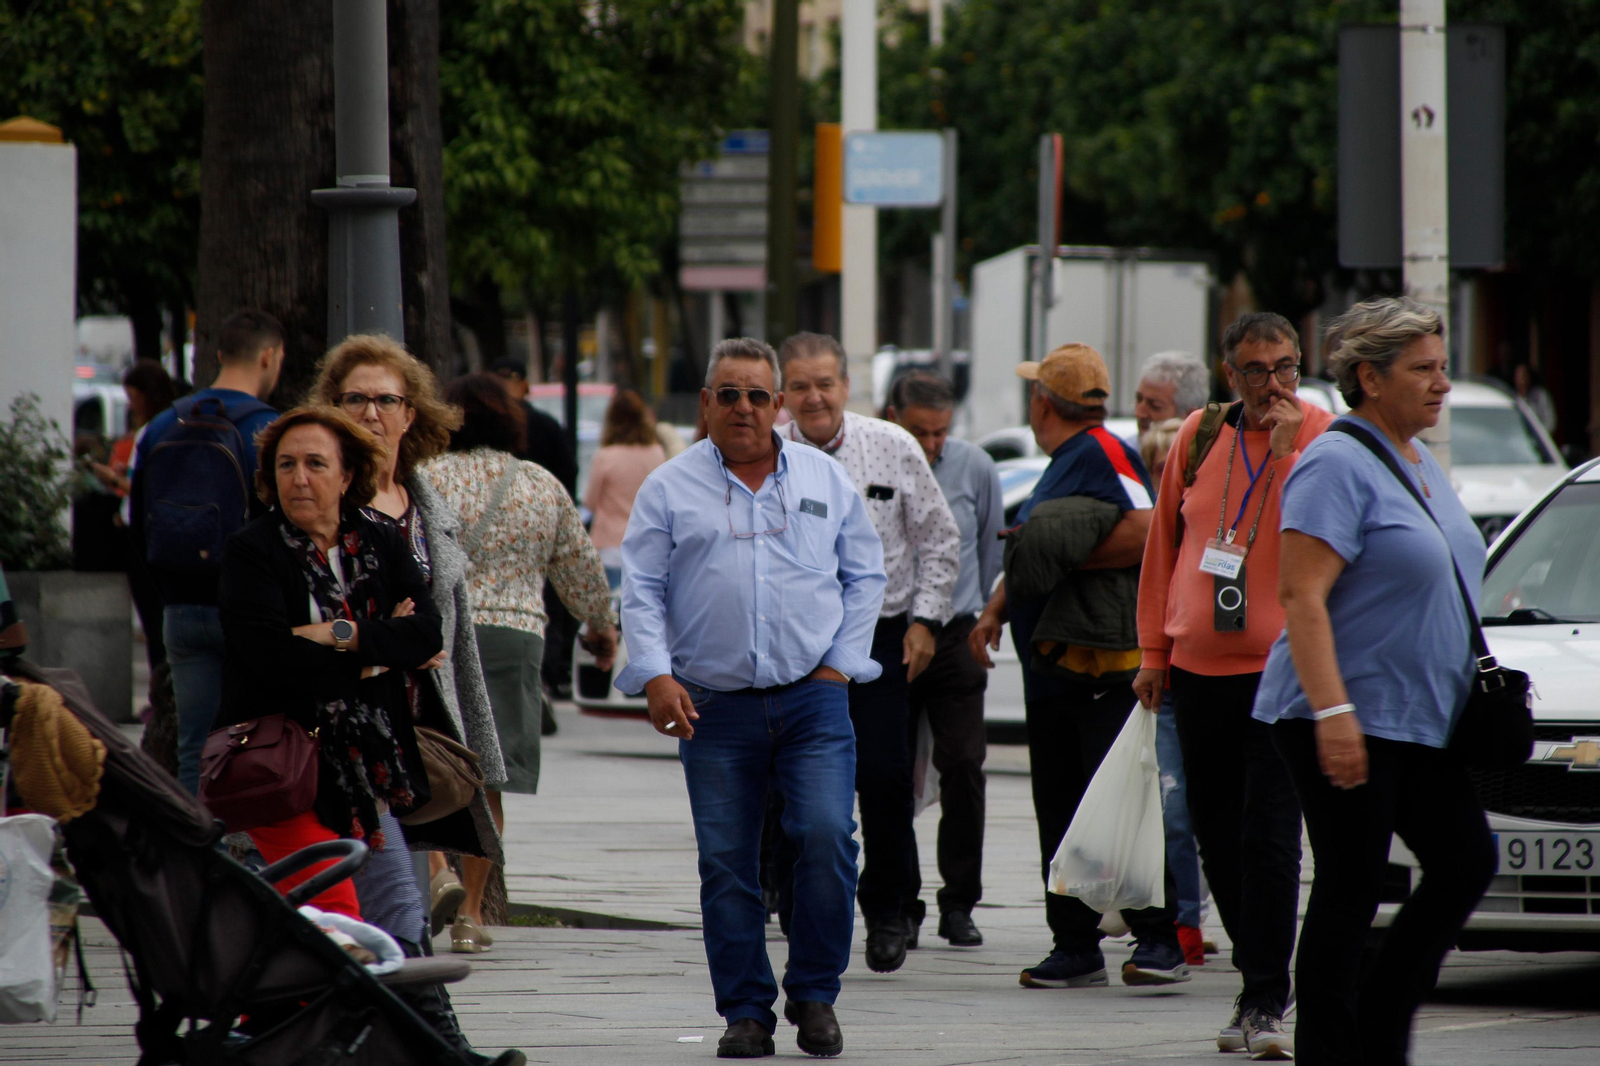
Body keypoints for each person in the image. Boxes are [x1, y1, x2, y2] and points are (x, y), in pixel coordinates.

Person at [216, 405, 514, 1066]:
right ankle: (305, 1042)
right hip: (284, 772)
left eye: (316, 464)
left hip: (363, 770)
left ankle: (446, 1053)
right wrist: (378, 646)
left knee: (399, 916)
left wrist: (342, 634)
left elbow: (428, 632)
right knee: (341, 920)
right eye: (286, 465)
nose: (299, 478)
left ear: (347, 474)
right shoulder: (253, 552)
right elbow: (271, 658)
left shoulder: (375, 542)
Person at [615, 337, 886, 1059]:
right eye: (728, 394)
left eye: (758, 395)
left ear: (781, 404)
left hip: (812, 699)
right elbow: (639, 590)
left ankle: (816, 993)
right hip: (713, 704)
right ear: (704, 403)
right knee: (727, 862)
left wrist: (839, 667)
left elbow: (866, 576)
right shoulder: (669, 488)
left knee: (828, 836)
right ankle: (746, 1012)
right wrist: (655, 673)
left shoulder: (825, 480)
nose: (743, 408)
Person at [1253, 297, 1495, 1066]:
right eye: (1422, 369)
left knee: (1466, 860)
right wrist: (1333, 711)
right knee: (1352, 883)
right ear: (1369, 376)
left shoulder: (1420, 460)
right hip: (1343, 709)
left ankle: (1381, 1013)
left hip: (1422, 715)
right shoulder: (1335, 462)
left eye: (1442, 367)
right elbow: (1301, 597)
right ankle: (1335, 1047)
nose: (1442, 384)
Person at [1133, 312, 1336, 1059]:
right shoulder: (1197, 436)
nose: (1272, 384)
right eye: (1256, 371)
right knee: (1215, 834)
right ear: (1230, 374)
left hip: (1283, 669)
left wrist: (1284, 457)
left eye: (1285, 367)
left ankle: (1263, 997)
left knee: (1269, 835)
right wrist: (1152, 651)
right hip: (1197, 670)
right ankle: (1258, 975)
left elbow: (1315, 537)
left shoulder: (1321, 436)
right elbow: (1165, 545)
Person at [968, 342, 1191, 990]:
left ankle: (1157, 939)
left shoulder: (1101, 451)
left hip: (1101, 673)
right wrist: (995, 612)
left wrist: (1073, 557)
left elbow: (1154, 525)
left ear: (1043, 405)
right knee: (1064, 809)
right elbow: (1037, 547)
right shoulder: (1067, 460)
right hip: (1060, 672)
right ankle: (1074, 943)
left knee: (1121, 806)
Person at [312, 336, 508, 940]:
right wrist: (390, 637)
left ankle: (411, 989)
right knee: (388, 892)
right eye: (355, 399)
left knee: (394, 886)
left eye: (386, 400)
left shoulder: (427, 504)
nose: (371, 413)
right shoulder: (322, 500)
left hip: (424, 714)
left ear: (410, 413)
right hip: (350, 721)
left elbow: (453, 628)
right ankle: (419, 1002)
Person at [779, 332, 960, 973]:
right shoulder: (762, 451)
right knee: (788, 780)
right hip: (790, 640)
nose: (813, 397)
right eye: (799, 385)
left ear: (846, 386)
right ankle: (794, 902)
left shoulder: (891, 445)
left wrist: (927, 622)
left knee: (884, 776)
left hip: (877, 634)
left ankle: (888, 911)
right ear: (783, 392)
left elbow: (939, 538)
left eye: (824, 383)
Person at [428, 374, 618, 952]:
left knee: (425, 758)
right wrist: (601, 629)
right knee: (490, 778)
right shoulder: (540, 484)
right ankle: (475, 915)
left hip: (439, 635)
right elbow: (580, 569)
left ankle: (437, 868)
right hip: (514, 638)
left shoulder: (424, 480)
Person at [132, 309, 284, 793]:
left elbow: (140, 524)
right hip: (247, 611)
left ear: (218, 355)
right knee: (252, 741)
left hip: (180, 604)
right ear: (269, 357)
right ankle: (247, 856)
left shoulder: (159, 425)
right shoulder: (271, 432)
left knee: (195, 745)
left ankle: (200, 858)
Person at [883, 372, 1003, 948]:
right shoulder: (874, 460)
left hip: (954, 633)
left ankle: (959, 902)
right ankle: (900, 904)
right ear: (893, 417)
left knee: (964, 763)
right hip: (891, 632)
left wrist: (982, 615)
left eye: (940, 434)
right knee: (890, 769)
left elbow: (984, 548)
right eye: (919, 432)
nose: (931, 445)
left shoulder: (974, 467)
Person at [488, 355, 581, 701]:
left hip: (495, 532)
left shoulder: (486, 426)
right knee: (548, 603)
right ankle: (549, 673)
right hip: (541, 529)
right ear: (525, 384)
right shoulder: (545, 424)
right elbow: (569, 475)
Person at [92, 360, 180, 677]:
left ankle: (161, 688)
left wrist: (113, 480)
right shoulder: (169, 426)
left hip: (144, 532)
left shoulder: (151, 431)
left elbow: (144, 488)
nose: (130, 405)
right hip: (149, 528)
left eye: (132, 397)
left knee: (153, 615)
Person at [586, 389, 667, 586]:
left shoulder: (606, 456)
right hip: (647, 544)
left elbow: (590, 502)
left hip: (610, 546)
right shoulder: (656, 453)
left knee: (610, 611)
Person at [1134, 350, 1210, 436]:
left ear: (1190, 416)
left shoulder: (1217, 449)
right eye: (1138, 399)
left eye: (1155, 406)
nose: (1139, 413)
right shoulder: (1122, 448)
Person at [1512, 363, 1556, 434]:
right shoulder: (1512, 397)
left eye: (1524, 375)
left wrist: (1538, 435)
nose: (1521, 378)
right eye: (1518, 375)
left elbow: (1550, 422)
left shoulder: (1540, 395)